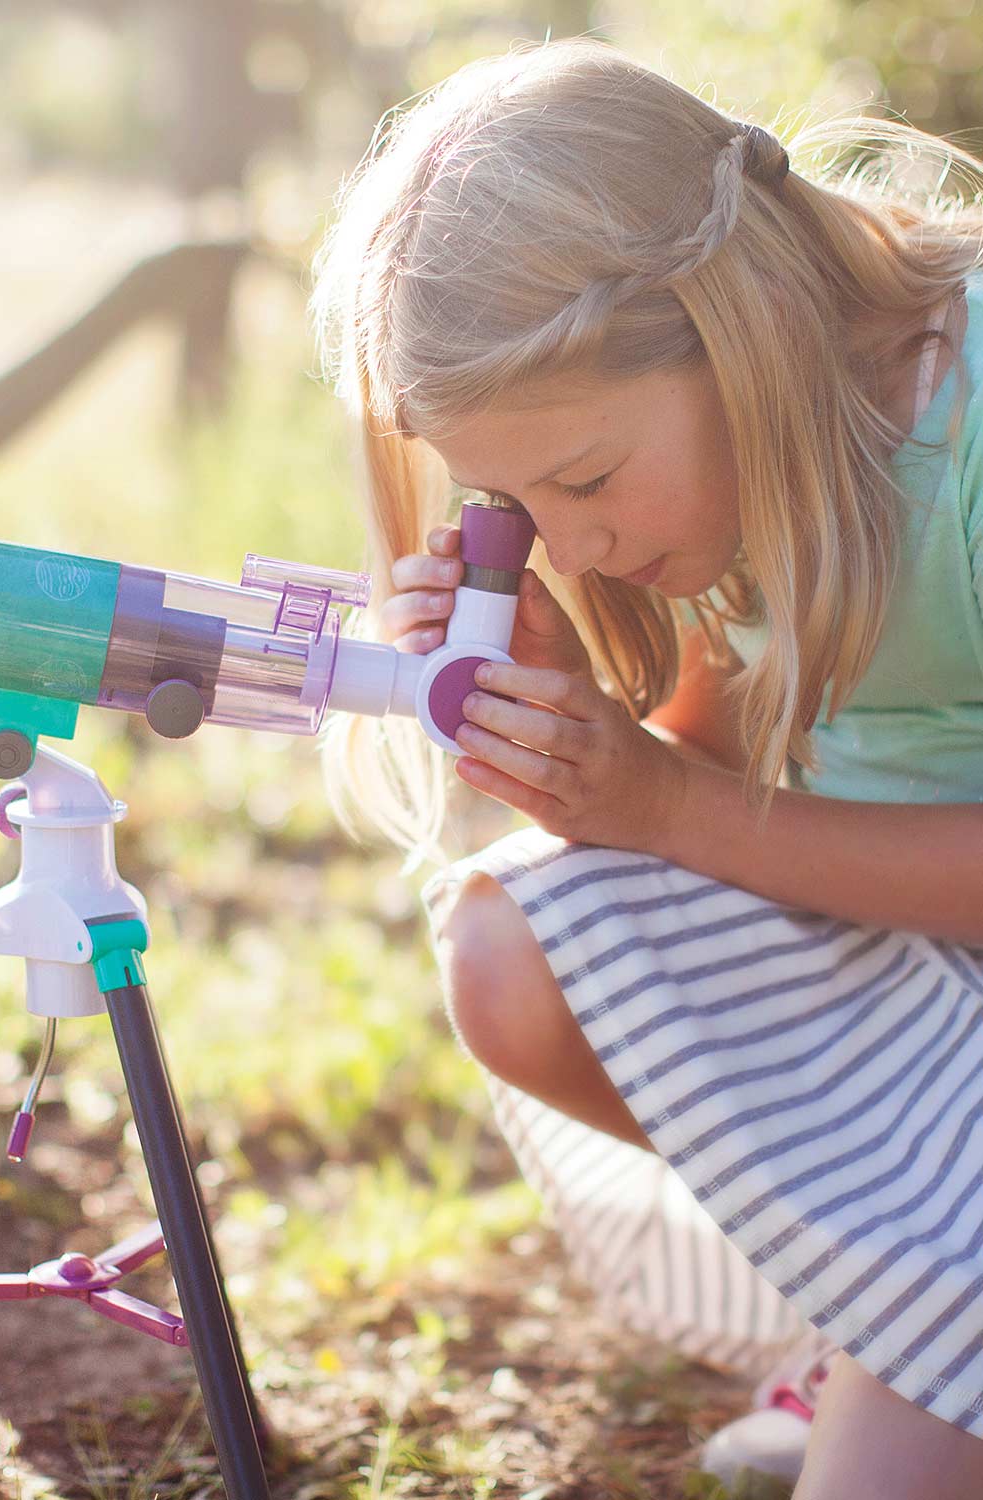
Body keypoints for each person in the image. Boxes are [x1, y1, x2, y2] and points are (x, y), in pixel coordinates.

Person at [311, 35, 983, 1498]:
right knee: (518, 945)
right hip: (934, 982)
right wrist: (578, 739)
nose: (578, 544)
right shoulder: (760, 464)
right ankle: (897, 1308)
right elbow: (715, 767)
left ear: (731, 327)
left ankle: (916, 1325)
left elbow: (705, 813)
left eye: (589, 481)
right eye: (521, 501)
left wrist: (666, 802)